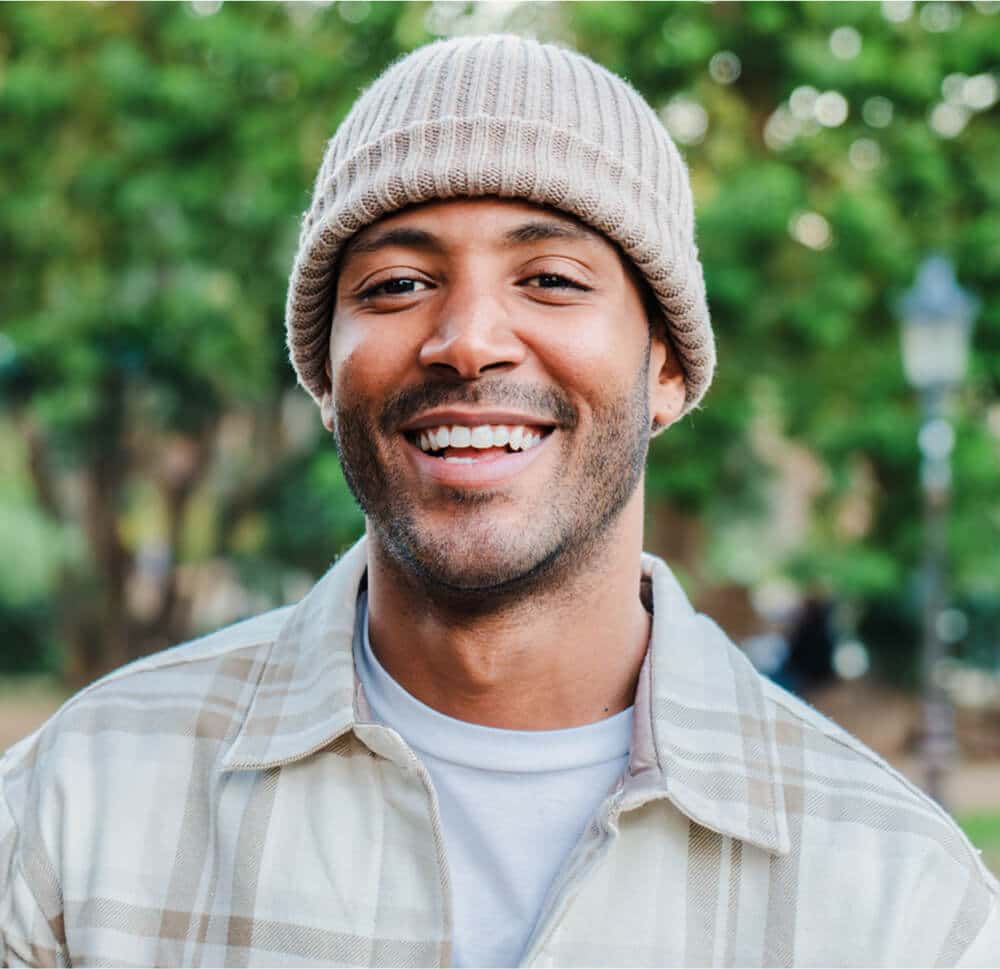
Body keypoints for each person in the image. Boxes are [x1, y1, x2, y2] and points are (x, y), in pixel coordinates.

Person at [1, 33, 997, 969]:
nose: (467, 339)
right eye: (395, 284)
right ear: (326, 375)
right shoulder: (73, 814)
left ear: (665, 369)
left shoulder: (897, 901)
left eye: (553, 279)